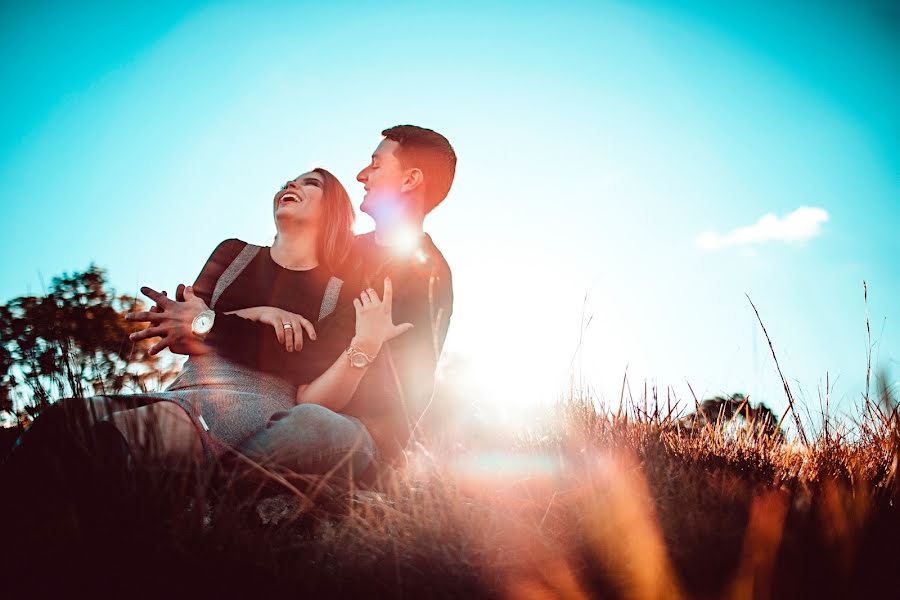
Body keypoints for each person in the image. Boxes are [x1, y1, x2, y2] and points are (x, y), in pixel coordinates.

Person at [4, 168, 409, 484]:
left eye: (311, 183)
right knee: (61, 419)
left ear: (333, 207)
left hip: (253, 404)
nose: (292, 184)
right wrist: (259, 315)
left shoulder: (338, 294)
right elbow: (180, 332)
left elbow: (303, 379)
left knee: (125, 439)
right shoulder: (232, 254)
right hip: (185, 385)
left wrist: (208, 324)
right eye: (290, 180)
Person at [205, 125, 457, 470]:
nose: (361, 175)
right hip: (296, 402)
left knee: (310, 426)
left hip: (361, 435)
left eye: (376, 164)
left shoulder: (424, 276)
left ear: (409, 180)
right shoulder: (346, 253)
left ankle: (206, 484)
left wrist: (206, 326)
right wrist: (253, 312)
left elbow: (306, 351)